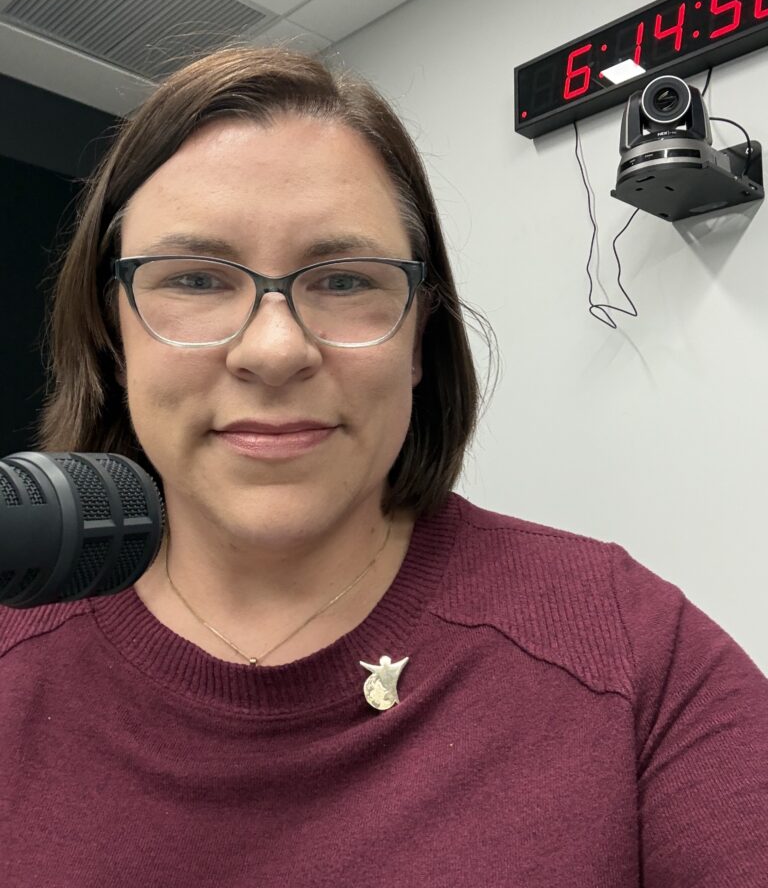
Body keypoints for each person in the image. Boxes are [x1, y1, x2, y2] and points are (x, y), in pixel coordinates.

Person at [0, 47, 765, 887]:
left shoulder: (628, 649)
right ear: (112, 337)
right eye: (193, 278)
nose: (275, 349)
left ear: (416, 343)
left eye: (342, 281)